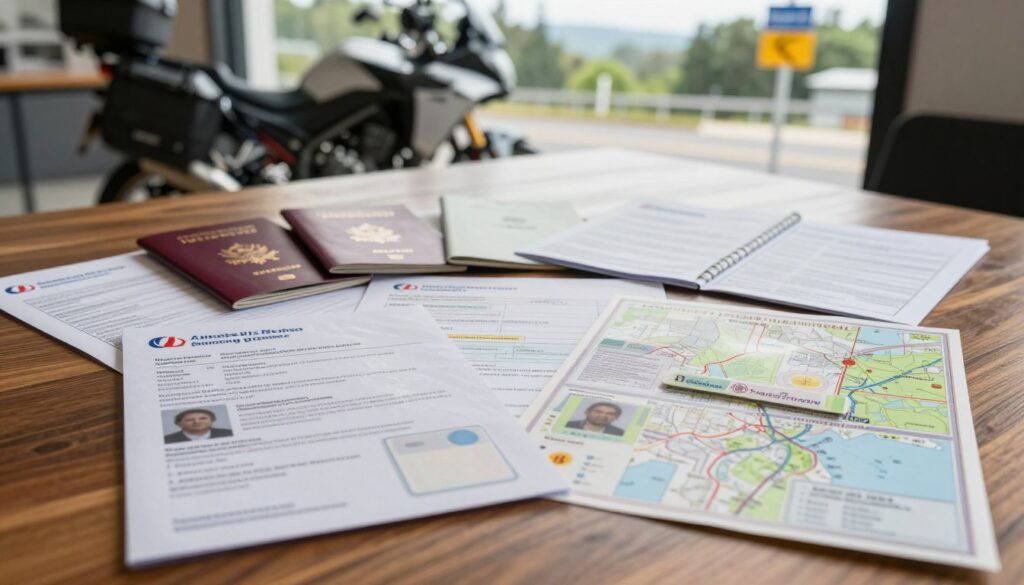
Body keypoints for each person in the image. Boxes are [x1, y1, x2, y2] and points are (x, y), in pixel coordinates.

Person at [164, 408, 233, 444]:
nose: (197, 422)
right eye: (189, 420)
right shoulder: (167, 440)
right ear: (178, 423)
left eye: (203, 418)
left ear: (212, 420)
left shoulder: (229, 433)